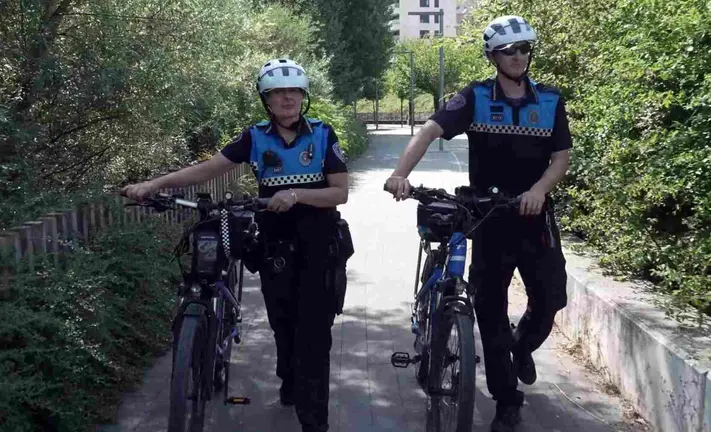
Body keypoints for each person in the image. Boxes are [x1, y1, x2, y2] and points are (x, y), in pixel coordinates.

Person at [122, 58, 352, 432]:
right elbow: (208, 168)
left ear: (304, 96)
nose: (287, 99)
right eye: (278, 93)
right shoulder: (254, 137)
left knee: (313, 335)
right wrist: (156, 184)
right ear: (267, 99)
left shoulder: (324, 135)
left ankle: (314, 422)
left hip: (318, 245)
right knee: (282, 324)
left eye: (293, 91)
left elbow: (339, 193)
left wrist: (296, 195)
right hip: (275, 245)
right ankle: (290, 381)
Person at [384, 15, 572, 432]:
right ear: (493, 56)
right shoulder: (474, 97)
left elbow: (561, 157)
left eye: (524, 49)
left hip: (534, 216)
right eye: (509, 51)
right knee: (488, 309)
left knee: (551, 299)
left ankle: (521, 346)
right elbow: (429, 132)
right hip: (488, 217)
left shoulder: (551, 101)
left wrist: (539, 189)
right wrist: (401, 174)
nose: (518, 56)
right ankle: (507, 401)